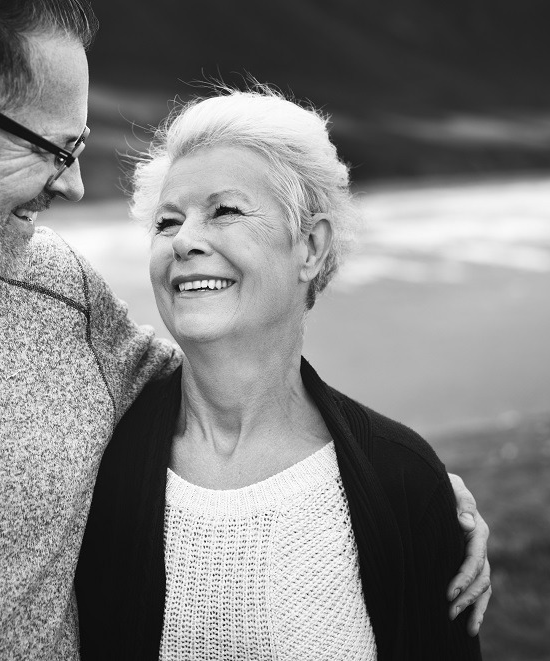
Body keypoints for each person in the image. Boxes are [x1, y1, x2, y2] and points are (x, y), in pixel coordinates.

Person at [0, 1, 488, 659]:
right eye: (55, 149)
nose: (73, 184)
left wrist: (394, 486)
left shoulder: (59, 288)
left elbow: (223, 380)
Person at [75, 88, 486, 660]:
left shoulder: (402, 477)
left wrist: (434, 503)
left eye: (225, 211)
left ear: (311, 247)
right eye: (168, 222)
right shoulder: (99, 458)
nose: (185, 240)